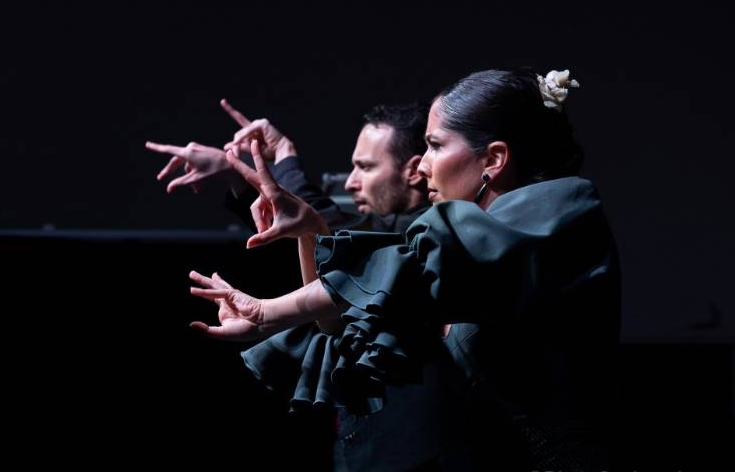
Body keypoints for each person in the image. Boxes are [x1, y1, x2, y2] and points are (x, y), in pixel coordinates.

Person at [187, 67, 620, 471]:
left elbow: (404, 267)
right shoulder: (463, 251)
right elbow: (347, 319)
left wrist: (267, 310)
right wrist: (308, 233)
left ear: (494, 158)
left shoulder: (561, 206)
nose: (423, 163)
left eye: (435, 146)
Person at [145, 100, 430, 235]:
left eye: (365, 167)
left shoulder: (424, 231)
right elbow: (303, 231)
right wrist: (234, 172)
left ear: (414, 171)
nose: (349, 183)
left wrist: (284, 154)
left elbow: (327, 229)